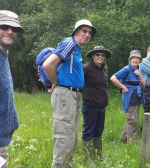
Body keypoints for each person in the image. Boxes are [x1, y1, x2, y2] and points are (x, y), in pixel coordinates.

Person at [43, 19, 96, 167]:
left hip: (73, 95)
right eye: (84, 31)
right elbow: (48, 64)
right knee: (64, 136)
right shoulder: (70, 43)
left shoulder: (76, 48)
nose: (87, 35)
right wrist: (54, 82)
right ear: (76, 32)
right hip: (65, 94)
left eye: (89, 33)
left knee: (71, 136)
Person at [0, 10, 24, 168]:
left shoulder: (2, 55)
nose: (10, 31)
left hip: (1, 141)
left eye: (14, 28)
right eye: (4, 26)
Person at [82, 46, 111, 162]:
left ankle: (98, 155)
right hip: (90, 105)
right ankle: (88, 159)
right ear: (93, 56)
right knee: (88, 131)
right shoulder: (86, 68)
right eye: (98, 54)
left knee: (99, 130)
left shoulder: (104, 69)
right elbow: (77, 80)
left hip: (102, 106)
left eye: (102, 55)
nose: (100, 57)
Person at [110, 50, 145, 143]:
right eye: (134, 58)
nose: (136, 60)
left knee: (132, 118)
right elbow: (113, 78)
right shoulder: (126, 69)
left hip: (136, 96)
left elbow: (144, 84)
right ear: (130, 59)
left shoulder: (137, 70)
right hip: (130, 97)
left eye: (137, 58)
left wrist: (140, 75)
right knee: (132, 120)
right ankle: (132, 142)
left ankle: (124, 138)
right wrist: (123, 87)